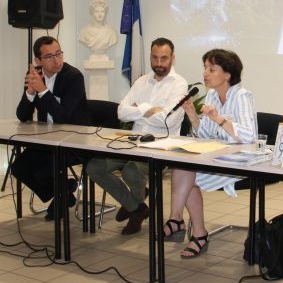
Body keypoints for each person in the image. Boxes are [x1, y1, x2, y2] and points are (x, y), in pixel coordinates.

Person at [86, 38, 188, 235]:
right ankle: (136, 207)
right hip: (132, 141)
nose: (158, 63)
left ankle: (134, 203)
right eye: (155, 58)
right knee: (94, 167)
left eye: (164, 58)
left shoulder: (179, 84)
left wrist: (138, 109)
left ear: (173, 58)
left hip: (161, 146)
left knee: (131, 172)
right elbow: (121, 112)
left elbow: (166, 120)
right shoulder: (141, 82)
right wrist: (149, 109)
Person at [162, 49, 257, 259]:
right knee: (183, 165)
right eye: (205, 68)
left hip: (239, 161)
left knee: (186, 174)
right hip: (215, 157)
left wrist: (219, 118)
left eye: (211, 69)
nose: (205, 73)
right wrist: (192, 115)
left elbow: (249, 137)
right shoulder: (212, 95)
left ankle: (188, 228)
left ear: (227, 75)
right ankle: (183, 223)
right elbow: (204, 135)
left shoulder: (242, 96)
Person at [12, 36, 90, 220]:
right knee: (19, 168)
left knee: (43, 170)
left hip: (73, 140)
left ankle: (62, 194)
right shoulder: (35, 74)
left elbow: (64, 118)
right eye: (49, 57)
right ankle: (64, 193)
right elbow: (22, 116)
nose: (56, 60)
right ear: (38, 61)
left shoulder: (73, 77)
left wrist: (43, 91)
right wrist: (30, 93)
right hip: (46, 139)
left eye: (59, 54)